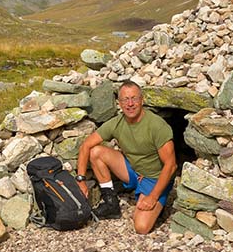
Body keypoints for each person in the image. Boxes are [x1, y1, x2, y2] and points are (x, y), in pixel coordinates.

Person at [75, 80, 177, 234]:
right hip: (133, 170)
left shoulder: (157, 126)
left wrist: (153, 197)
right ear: (119, 103)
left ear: (142, 100)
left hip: (154, 178)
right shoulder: (116, 123)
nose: (130, 104)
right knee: (95, 151)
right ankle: (111, 203)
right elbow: (85, 146)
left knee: (141, 227)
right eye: (125, 100)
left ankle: (155, 203)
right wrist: (81, 180)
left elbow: (171, 166)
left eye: (134, 98)